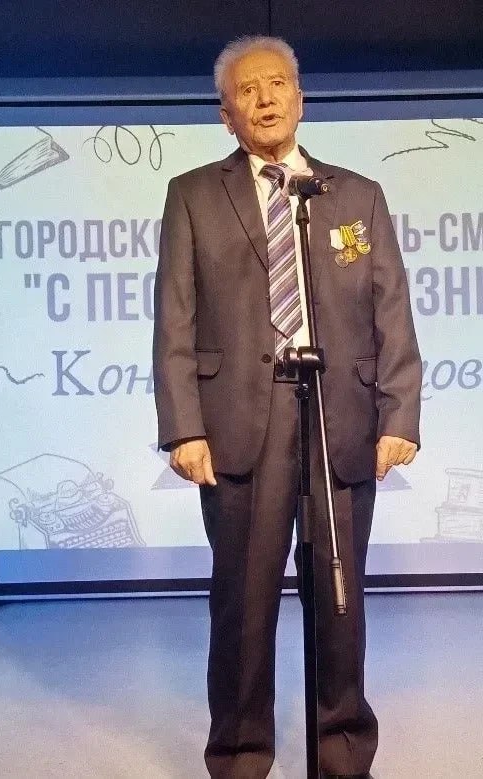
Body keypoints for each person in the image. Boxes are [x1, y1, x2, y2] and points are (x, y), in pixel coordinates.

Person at [153, 35, 421, 779]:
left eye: (278, 84)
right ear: (226, 113)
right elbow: (174, 319)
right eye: (248, 90)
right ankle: (240, 756)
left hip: (341, 416)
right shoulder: (193, 194)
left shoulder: (355, 195)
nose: (265, 98)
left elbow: (392, 311)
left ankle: (343, 753)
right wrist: (183, 427)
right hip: (239, 421)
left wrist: (400, 415)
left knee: (340, 599)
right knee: (242, 604)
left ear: (301, 99)